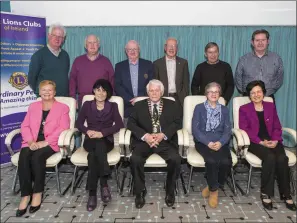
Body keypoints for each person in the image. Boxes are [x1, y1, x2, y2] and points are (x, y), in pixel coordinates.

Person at [239, 80, 296, 211]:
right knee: (269, 157)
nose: (256, 94)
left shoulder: (270, 106)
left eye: (259, 91)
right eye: (253, 93)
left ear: (263, 93)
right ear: (249, 95)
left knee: (282, 159)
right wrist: (260, 141)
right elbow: (244, 129)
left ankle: (285, 193)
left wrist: (276, 140)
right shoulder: (244, 109)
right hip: (255, 142)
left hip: (273, 140)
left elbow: (277, 125)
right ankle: (266, 193)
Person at [16, 80, 70, 217]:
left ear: (55, 92)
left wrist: (45, 142)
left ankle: (37, 193)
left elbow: (63, 128)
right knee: (24, 156)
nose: (47, 92)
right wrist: (29, 141)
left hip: (50, 143)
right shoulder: (33, 106)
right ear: (39, 92)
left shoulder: (62, 108)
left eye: (50, 90)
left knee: (37, 157)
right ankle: (25, 195)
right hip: (31, 141)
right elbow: (25, 126)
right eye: (44, 90)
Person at [127, 79, 182, 209]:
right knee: (135, 159)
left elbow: (177, 122)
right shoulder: (139, 105)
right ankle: (140, 191)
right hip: (145, 141)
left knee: (175, 159)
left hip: (164, 140)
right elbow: (130, 123)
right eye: (151, 90)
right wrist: (146, 136)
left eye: (157, 90)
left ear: (162, 92)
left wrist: (163, 135)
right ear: (147, 92)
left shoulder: (172, 104)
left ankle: (170, 190)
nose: (154, 93)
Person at [76, 79, 124, 212]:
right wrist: (88, 131)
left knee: (93, 156)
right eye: (98, 90)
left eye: (104, 90)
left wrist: (102, 133)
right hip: (90, 139)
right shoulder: (86, 105)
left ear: (108, 93)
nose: (101, 93)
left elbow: (119, 124)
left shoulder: (113, 106)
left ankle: (92, 193)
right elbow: (78, 124)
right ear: (94, 91)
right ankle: (104, 184)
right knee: (97, 147)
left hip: (106, 140)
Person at [192, 82, 232, 208]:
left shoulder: (224, 110)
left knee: (226, 162)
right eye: (211, 91)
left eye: (216, 92)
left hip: (221, 141)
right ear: (206, 94)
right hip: (203, 142)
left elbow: (227, 130)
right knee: (211, 161)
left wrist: (220, 142)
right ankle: (214, 191)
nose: (213, 94)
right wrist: (208, 143)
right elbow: (195, 129)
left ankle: (211, 186)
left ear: (219, 94)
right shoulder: (199, 108)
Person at [235, 29, 284, 102]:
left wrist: (271, 90)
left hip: (268, 97)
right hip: (248, 98)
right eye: (257, 40)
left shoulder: (276, 59)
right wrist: (246, 92)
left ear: (268, 41)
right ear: (252, 42)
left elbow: (279, 78)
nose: (260, 43)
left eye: (263, 40)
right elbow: (238, 78)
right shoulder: (244, 59)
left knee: (269, 114)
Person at [69, 34, 115, 109]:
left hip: (102, 102)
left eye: (95, 42)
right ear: (85, 46)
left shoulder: (106, 61)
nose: (92, 45)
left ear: (98, 45)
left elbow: (112, 82)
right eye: (89, 43)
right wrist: (73, 98)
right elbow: (72, 81)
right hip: (83, 101)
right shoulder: (78, 61)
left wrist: (110, 99)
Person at [114, 40, 153, 124]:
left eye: (135, 49)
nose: (132, 51)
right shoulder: (119, 66)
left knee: (144, 133)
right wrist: (130, 99)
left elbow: (151, 84)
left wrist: (139, 99)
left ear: (139, 50)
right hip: (126, 106)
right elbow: (117, 85)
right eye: (130, 49)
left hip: (144, 105)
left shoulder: (148, 64)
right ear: (126, 51)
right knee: (127, 133)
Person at [28, 23, 70, 97]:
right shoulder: (38, 55)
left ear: (63, 39)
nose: (57, 39)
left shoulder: (65, 55)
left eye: (60, 36)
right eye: (54, 35)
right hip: (46, 99)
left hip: (63, 98)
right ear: (49, 36)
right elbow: (31, 80)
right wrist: (41, 92)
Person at [153, 37, 190, 114]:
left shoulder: (183, 63)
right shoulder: (157, 63)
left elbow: (186, 83)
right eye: (169, 46)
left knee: (178, 123)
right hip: (162, 98)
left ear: (177, 48)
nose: (172, 48)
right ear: (165, 47)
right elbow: (155, 83)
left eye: (174, 46)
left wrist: (183, 97)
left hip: (179, 99)